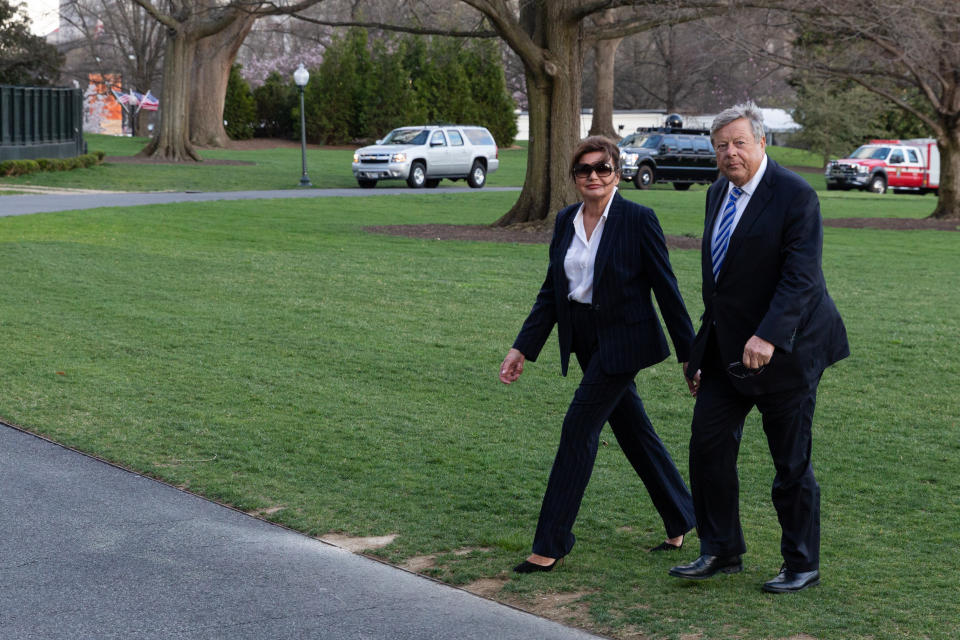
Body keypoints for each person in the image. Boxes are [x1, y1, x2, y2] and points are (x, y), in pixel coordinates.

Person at [668, 102, 849, 593]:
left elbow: (802, 278)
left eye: (739, 143)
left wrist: (768, 335)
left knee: (789, 464)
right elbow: (720, 287)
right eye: (721, 145)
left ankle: (801, 564)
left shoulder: (795, 196)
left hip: (790, 351)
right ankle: (721, 550)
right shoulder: (715, 194)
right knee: (707, 448)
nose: (730, 153)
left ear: (762, 142)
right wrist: (699, 352)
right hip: (728, 352)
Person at [499, 136, 697, 573]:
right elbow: (552, 293)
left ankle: (551, 543)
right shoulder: (566, 219)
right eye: (584, 170)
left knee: (577, 428)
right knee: (633, 431)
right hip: (584, 340)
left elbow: (668, 290)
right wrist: (522, 348)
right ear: (574, 177)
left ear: (618, 172)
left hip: (624, 343)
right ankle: (682, 516)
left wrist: (691, 354)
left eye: (602, 168)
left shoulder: (638, 219)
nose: (593, 176)